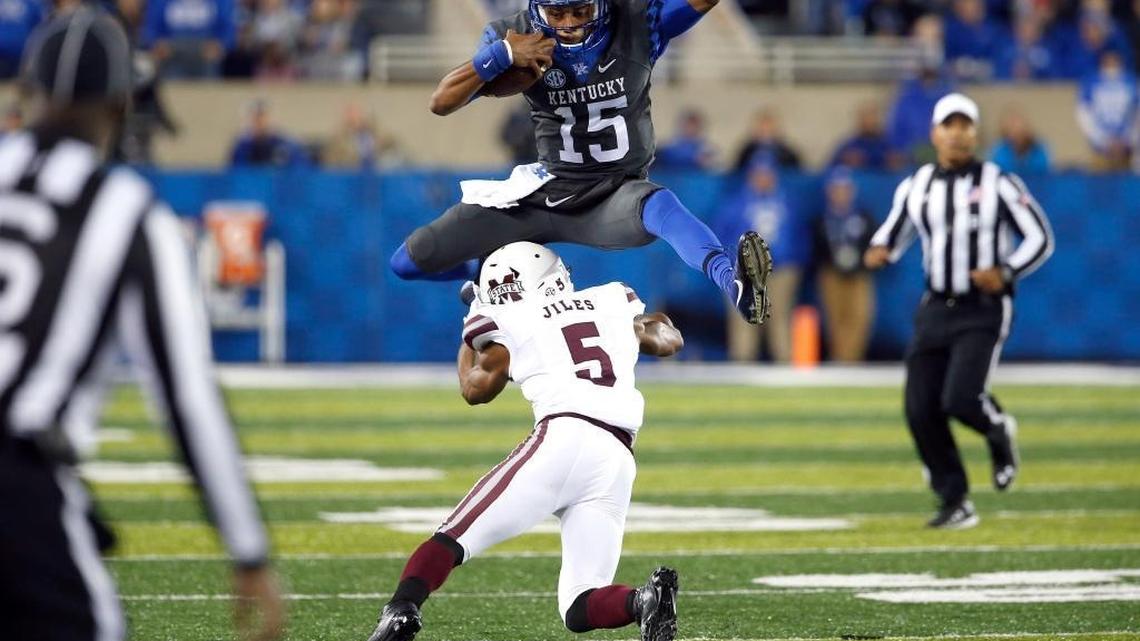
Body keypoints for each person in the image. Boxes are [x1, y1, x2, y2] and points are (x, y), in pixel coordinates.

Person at [0, 7, 284, 641]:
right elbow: (185, 395)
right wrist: (249, 551)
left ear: (26, 90)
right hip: (19, 487)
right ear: (122, 104)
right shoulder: (125, 211)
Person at [365, 242, 684, 641]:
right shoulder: (611, 299)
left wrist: (473, 318)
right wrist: (646, 332)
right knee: (578, 603)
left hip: (562, 439)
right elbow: (667, 340)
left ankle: (401, 608)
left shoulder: (510, 318)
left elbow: (474, 389)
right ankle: (642, 601)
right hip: (617, 456)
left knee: (453, 537)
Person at [389, 0, 774, 327]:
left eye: (580, 10)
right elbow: (441, 102)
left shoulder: (636, 21)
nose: (569, 24)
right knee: (409, 260)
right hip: (543, 193)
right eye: (556, 13)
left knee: (659, 204)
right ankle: (479, 275)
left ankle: (733, 283)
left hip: (611, 196)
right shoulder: (513, 35)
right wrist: (502, 55)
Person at [864, 93, 1054, 529]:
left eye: (965, 125)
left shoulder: (999, 182)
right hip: (935, 306)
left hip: (982, 308)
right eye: (949, 125)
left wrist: (1006, 271)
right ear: (935, 133)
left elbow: (1040, 237)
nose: (957, 132)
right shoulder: (917, 184)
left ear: (975, 132)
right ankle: (955, 499)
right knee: (919, 408)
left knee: (961, 399)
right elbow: (892, 234)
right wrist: (878, 250)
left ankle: (997, 428)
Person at [713, 156, 808, 363]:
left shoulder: (787, 202)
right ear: (751, 176)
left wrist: (795, 263)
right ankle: (742, 364)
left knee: (780, 317)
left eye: (767, 174)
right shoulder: (736, 203)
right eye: (759, 174)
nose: (763, 179)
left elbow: (800, 235)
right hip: (744, 270)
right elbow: (720, 235)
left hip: (781, 268)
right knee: (743, 318)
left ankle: (784, 363)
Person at [813, 168, 875, 362]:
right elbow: (817, 248)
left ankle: (853, 358)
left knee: (860, 316)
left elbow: (874, 242)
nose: (840, 193)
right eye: (836, 189)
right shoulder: (822, 220)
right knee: (835, 318)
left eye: (844, 189)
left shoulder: (863, 217)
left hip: (859, 272)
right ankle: (840, 358)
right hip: (831, 272)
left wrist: (862, 261)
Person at [1076, 50, 1138, 172]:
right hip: (1100, 150)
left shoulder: (1132, 82)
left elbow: (1137, 114)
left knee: (1127, 185)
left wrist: (1130, 139)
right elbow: (1083, 115)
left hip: (1126, 149)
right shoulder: (1091, 82)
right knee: (1099, 186)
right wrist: (1102, 140)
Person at [988, 106, 1051, 174]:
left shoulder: (1039, 147)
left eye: (1017, 124)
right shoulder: (999, 149)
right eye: (1011, 125)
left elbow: (1043, 170)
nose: (1015, 129)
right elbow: (998, 170)